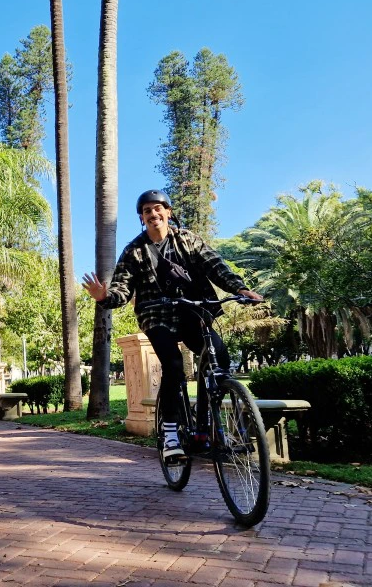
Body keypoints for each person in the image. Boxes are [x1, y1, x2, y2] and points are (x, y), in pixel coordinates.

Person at [82, 189, 262, 459]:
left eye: (157, 208)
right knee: (174, 366)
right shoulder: (134, 251)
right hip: (156, 314)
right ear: (142, 218)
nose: (153, 214)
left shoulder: (188, 240)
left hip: (193, 309)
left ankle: (206, 428)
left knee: (217, 355)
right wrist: (105, 296)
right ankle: (169, 434)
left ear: (168, 212)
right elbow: (122, 289)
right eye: (146, 211)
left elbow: (216, 266)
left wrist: (241, 288)